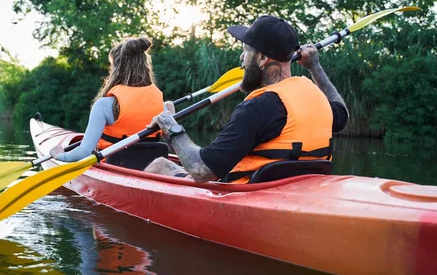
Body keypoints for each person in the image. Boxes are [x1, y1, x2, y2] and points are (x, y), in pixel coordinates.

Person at [144, 15, 348, 183]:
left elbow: (201, 170)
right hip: (302, 190)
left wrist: (170, 124)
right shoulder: (314, 96)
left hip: (249, 198)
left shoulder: (257, 107)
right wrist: (315, 67)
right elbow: (342, 113)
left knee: (159, 165)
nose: (241, 58)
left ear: (261, 58)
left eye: (245, 50)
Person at [51, 37, 163, 162]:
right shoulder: (161, 104)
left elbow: (84, 153)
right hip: (152, 167)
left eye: (111, 66)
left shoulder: (104, 106)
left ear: (117, 69)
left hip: (117, 168)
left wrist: (60, 155)